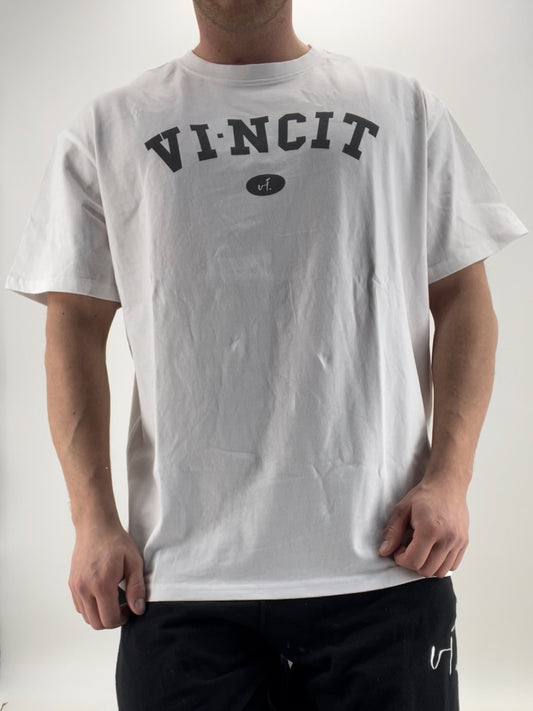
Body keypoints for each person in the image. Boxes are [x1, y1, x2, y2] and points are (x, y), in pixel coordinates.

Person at [5, 1, 528, 709]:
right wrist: (91, 521)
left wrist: (451, 480)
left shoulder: (403, 108)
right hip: (182, 583)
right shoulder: (108, 126)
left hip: (384, 570)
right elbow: (72, 326)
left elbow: (464, 298)